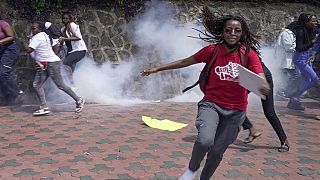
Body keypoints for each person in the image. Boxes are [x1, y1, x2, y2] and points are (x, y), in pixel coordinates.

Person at [141, 7, 270, 180]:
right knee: (205, 141)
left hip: (236, 111)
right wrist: (158, 68)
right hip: (212, 104)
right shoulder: (212, 51)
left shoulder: (248, 55)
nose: (232, 33)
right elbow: (185, 61)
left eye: (237, 31)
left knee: (216, 153)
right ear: (222, 32)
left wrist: (263, 87)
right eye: (228, 30)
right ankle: (192, 169)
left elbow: (262, 82)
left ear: (242, 33)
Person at [22, 21, 85, 116]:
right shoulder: (43, 35)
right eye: (31, 28)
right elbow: (38, 53)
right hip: (46, 63)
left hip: (51, 63)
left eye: (34, 28)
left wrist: (21, 42)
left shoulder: (38, 37)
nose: (32, 30)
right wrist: (40, 62)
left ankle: (79, 100)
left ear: (40, 29)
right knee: (37, 84)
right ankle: (44, 107)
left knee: (60, 85)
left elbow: (29, 50)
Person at [241, 56, 290, 152]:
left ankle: (284, 140)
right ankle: (252, 130)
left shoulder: (248, 50)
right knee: (233, 105)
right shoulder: (229, 48)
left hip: (263, 79)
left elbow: (257, 67)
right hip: (249, 78)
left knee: (269, 112)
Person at [287, 13, 319, 110]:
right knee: (316, 80)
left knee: (309, 81)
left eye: (316, 20)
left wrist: (312, 54)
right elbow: (300, 48)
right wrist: (312, 42)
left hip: (307, 58)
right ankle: (294, 95)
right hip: (300, 59)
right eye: (313, 21)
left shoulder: (312, 30)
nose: (316, 22)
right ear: (306, 22)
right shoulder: (300, 32)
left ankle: (294, 99)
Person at [0, 13, 23, 105]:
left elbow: (11, 36)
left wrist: (0, 41)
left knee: (2, 73)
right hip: (1, 52)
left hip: (9, 50)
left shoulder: (2, 23)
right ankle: (9, 98)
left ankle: (18, 93)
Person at [274, 22, 300, 98]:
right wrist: (297, 47)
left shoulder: (288, 33)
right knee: (295, 75)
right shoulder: (287, 33)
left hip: (286, 59)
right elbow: (288, 47)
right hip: (285, 59)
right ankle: (284, 91)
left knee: (284, 76)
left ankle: (282, 92)